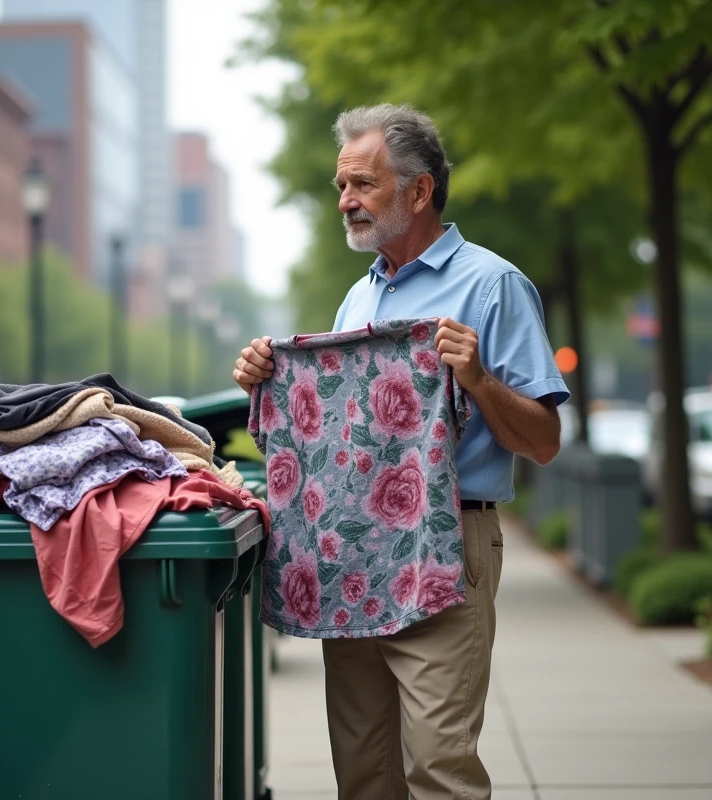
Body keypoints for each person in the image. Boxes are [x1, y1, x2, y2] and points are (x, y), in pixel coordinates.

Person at [233, 103, 568, 800]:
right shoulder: (357, 300)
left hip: (445, 549)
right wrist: (266, 379)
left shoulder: (492, 286)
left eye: (362, 185)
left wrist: (477, 379)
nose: (345, 201)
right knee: (362, 777)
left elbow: (542, 441)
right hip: (352, 561)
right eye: (341, 186)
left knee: (439, 771)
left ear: (419, 191)